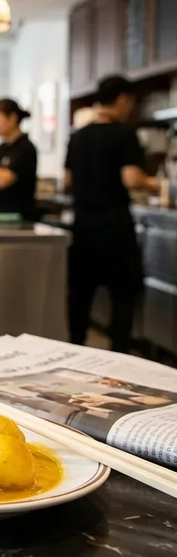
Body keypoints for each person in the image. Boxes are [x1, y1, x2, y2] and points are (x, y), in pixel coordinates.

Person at [64, 75, 160, 355]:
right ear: (122, 100)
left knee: (80, 295)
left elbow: (67, 180)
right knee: (122, 295)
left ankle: (76, 349)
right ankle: (119, 354)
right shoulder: (124, 133)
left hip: (82, 225)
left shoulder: (78, 135)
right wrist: (159, 184)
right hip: (114, 225)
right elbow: (131, 179)